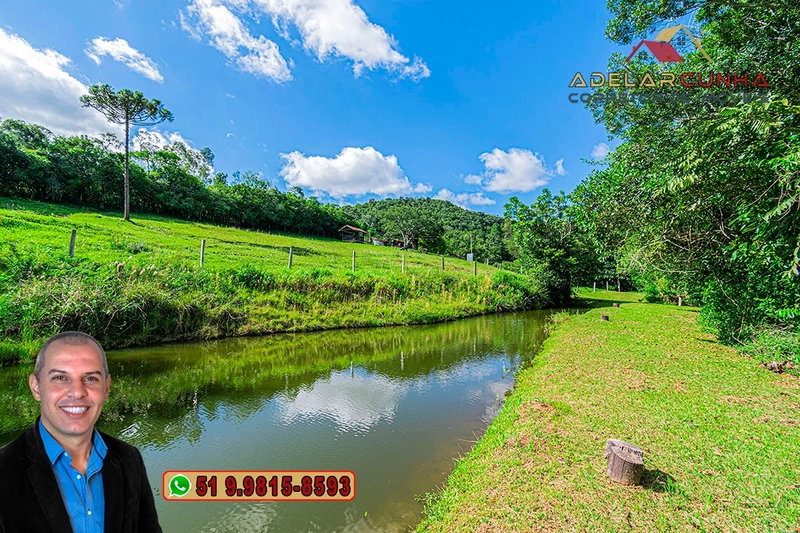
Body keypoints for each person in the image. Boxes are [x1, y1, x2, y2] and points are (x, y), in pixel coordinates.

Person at [0, 331, 162, 533]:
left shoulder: (129, 459)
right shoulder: (4, 471)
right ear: (36, 387)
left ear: (106, 388)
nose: (77, 392)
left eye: (91, 378)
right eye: (60, 377)